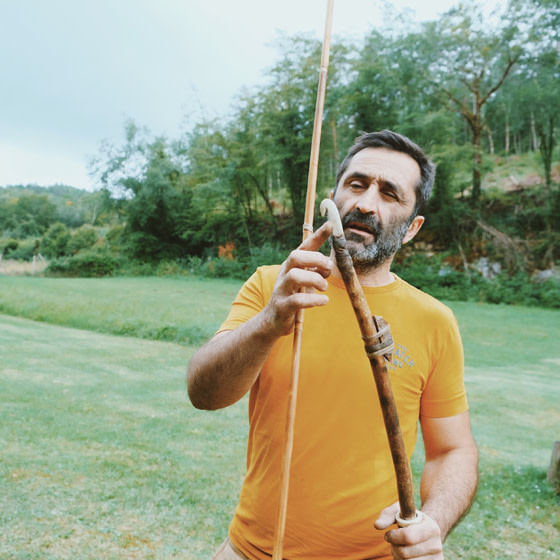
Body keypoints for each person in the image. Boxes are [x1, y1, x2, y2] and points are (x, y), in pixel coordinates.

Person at [187, 130, 479, 560]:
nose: (365, 203)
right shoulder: (273, 284)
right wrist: (269, 321)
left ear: (413, 227)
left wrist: (434, 519)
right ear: (334, 195)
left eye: (389, 193)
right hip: (253, 550)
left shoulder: (434, 320)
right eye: (356, 184)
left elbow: (453, 449)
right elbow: (204, 394)